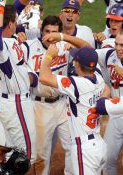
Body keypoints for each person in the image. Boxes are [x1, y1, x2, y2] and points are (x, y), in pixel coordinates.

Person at [24, 15, 90, 174]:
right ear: (41, 31)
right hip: (40, 106)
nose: (49, 36)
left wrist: (65, 39)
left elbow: (88, 49)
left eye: (54, 33)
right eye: (46, 31)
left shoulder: (64, 46)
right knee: (41, 153)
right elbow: (31, 80)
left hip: (63, 104)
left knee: (72, 146)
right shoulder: (27, 47)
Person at [0, 0, 37, 172]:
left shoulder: (10, 39)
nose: (17, 22)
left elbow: (15, 8)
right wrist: (0, 6)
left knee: (12, 152)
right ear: (10, 24)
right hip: (16, 103)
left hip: (12, 101)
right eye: (15, 20)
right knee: (26, 157)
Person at [39, 45, 108, 175]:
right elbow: (107, 89)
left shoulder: (77, 84)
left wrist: (48, 56)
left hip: (85, 149)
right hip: (98, 144)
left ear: (77, 64)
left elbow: (43, 77)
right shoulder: (99, 78)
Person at [96, 29, 123, 175]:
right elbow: (88, 53)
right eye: (116, 44)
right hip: (115, 117)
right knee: (106, 160)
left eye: (122, 45)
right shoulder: (109, 55)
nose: (118, 48)